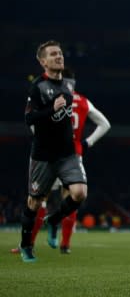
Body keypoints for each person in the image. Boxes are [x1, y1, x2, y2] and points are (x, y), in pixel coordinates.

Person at [11, 70, 111, 255]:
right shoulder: (82, 101)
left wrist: (40, 137)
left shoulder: (49, 98)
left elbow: (33, 121)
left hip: (51, 153)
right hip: (73, 155)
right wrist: (87, 143)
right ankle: (65, 245)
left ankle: (28, 244)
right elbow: (105, 124)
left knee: (39, 199)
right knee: (71, 197)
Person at [18, 41, 88, 263]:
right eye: (53, 54)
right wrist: (51, 110)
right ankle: (26, 245)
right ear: (42, 61)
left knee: (80, 193)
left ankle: (54, 220)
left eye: (60, 53)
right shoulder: (37, 87)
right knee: (34, 203)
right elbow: (29, 118)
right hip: (43, 156)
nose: (59, 57)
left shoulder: (68, 85)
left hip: (67, 154)